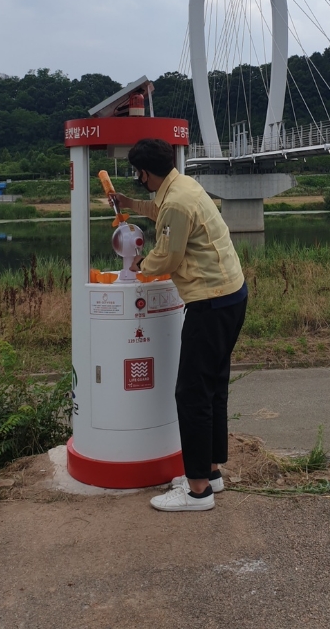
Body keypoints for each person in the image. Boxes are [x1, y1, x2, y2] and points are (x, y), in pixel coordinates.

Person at [114, 138, 247, 512]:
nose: (139, 182)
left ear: (144, 172)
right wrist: (128, 204)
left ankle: (197, 490)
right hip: (232, 295)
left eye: (138, 176)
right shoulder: (183, 185)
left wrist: (138, 266)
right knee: (213, 387)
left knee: (190, 393)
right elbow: (159, 210)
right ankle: (212, 470)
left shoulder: (175, 201)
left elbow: (167, 257)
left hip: (210, 303)